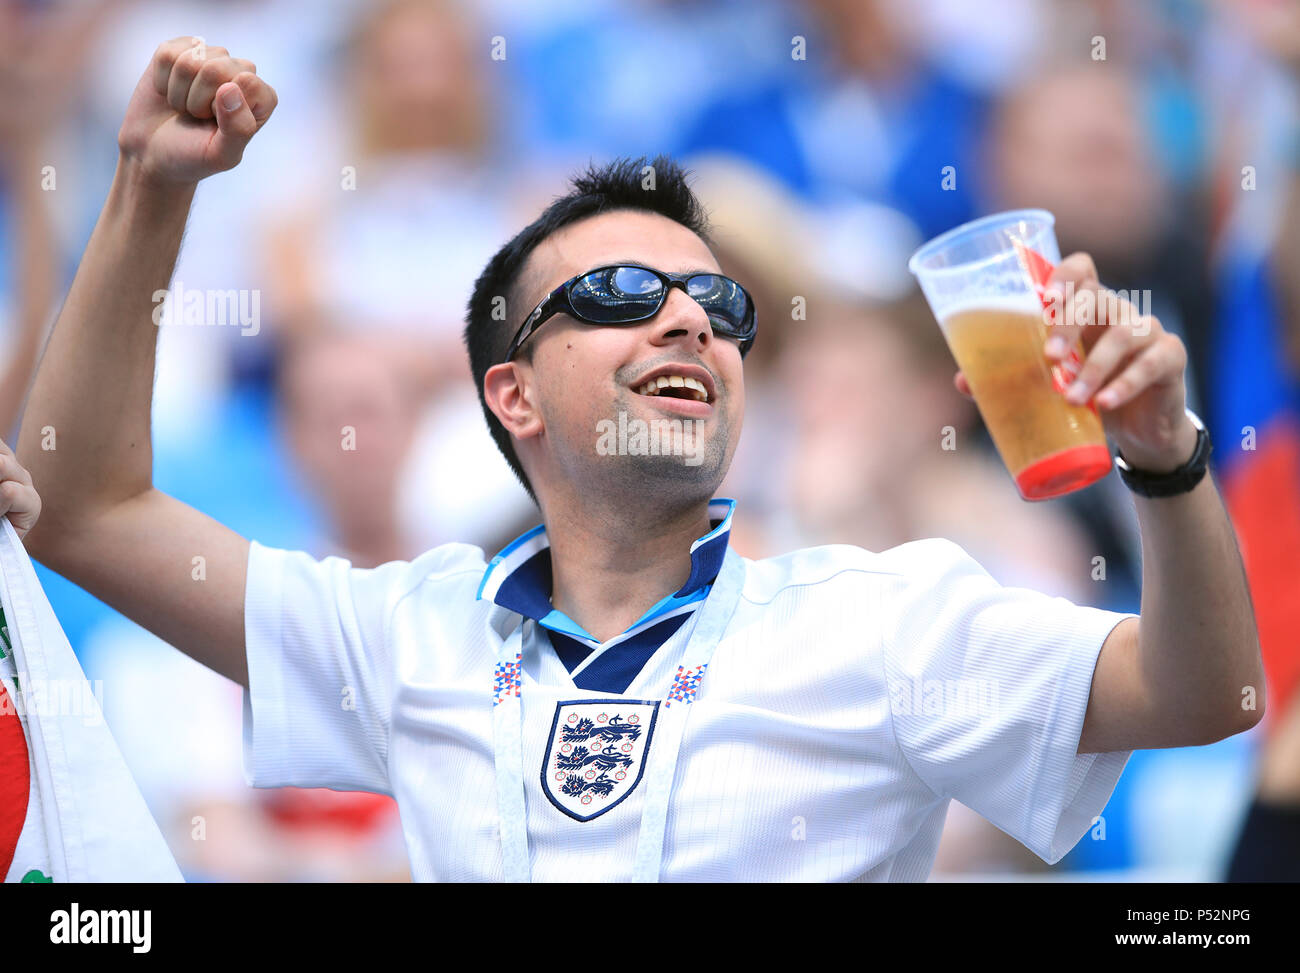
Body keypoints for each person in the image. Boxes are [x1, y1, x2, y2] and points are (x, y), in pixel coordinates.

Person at [14, 38, 1265, 882]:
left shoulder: (887, 616)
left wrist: (1165, 463)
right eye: (621, 290)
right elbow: (81, 506)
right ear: (512, 396)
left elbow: (1208, 696)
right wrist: (148, 189)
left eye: (719, 306)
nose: (686, 319)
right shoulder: (405, 633)